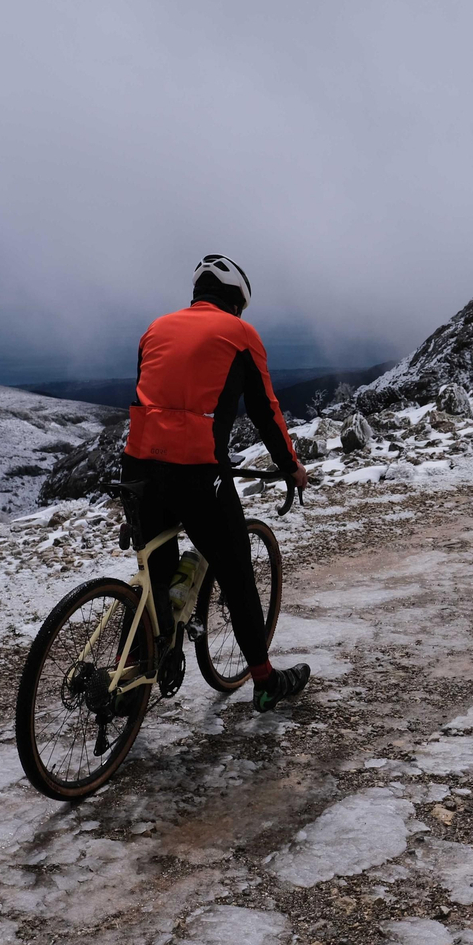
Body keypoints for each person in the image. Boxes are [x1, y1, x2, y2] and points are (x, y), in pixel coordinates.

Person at [121, 254, 311, 712]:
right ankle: (264, 681)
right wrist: (291, 467)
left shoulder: (155, 328)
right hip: (196, 473)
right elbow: (266, 411)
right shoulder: (241, 336)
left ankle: (131, 677)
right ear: (237, 302)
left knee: (156, 573)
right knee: (236, 571)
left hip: (137, 468)